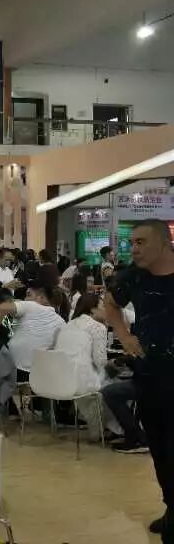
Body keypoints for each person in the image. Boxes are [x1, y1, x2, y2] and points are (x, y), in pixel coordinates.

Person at [104, 219, 174, 540]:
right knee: (159, 449)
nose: (134, 249)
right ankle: (171, 506)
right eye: (132, 242)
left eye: (141, 242)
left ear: (164, 242)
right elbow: (110, 304)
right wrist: (124, 336)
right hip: (150, 376)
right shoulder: (133, 277)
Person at [0, 275, 69, 380]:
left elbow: (0, 308)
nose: (25, 299)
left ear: (42, 298)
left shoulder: (32, 306)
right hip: (40, 376)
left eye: (28, 295)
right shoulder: (62, 323)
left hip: (14, 370)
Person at [54, 294, 108, 439]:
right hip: (80, 381)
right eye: (103, 306)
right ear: (92, 309)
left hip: (57, 380)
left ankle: (94, 424)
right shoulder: (98, 327)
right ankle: (108, 430)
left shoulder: (67, 325)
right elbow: (100, 361)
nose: (106, 309)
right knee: (115, 382)